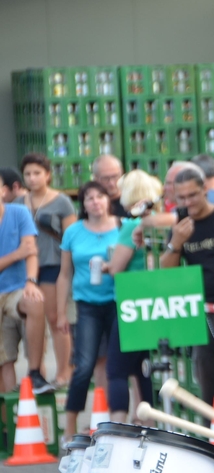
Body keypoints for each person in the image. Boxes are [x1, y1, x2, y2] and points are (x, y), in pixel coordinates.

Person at [159, 167, 214, 409]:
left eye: (193, 195)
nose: (188, 203)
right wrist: (176, 243)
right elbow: (167, 270)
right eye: (182, 198)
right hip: (205, 312)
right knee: (210, 384)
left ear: (205, 190)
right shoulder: (179, 227)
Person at [57, 182, 119, 440]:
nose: (95, 202)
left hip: (118, 302)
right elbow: (64, 274)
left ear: (108, 199)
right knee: (83, 365)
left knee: (117, 365)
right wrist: (61, 312)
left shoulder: (123, 226)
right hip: (87, 305)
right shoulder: (73, 232)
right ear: (82, 204)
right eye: (89, 198)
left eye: (100, 196)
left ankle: (117, 423)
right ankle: (70, 426)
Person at [105, 170, 160, 424]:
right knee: (143, 368)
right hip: (154, 301)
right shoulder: (158, 221)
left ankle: (117, 423)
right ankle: (149, 422)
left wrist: (108, 265)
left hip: (131, 301)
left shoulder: (131, 226)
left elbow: (117, 268)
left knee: (116, 369)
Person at [19, 153, 77, 388]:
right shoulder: (18, 203)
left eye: (37, 173)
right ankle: (37, 370)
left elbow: (71, 236)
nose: (32, 178)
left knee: (55, 318)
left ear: (48, 175)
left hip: (54, 262)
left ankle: (64, 371)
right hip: (27, 268)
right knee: (34, 321)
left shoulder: (61, 201)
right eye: (27, 174)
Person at [0, 183, 48, 393]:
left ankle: (35, 373)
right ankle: (9, 409)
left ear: (3, 191)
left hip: (17, 290)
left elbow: (30, 251)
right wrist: (16, 255)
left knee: (35, 301)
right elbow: (22, 252)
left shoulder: (19, 213)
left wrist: (31, 281)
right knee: (4, 362)